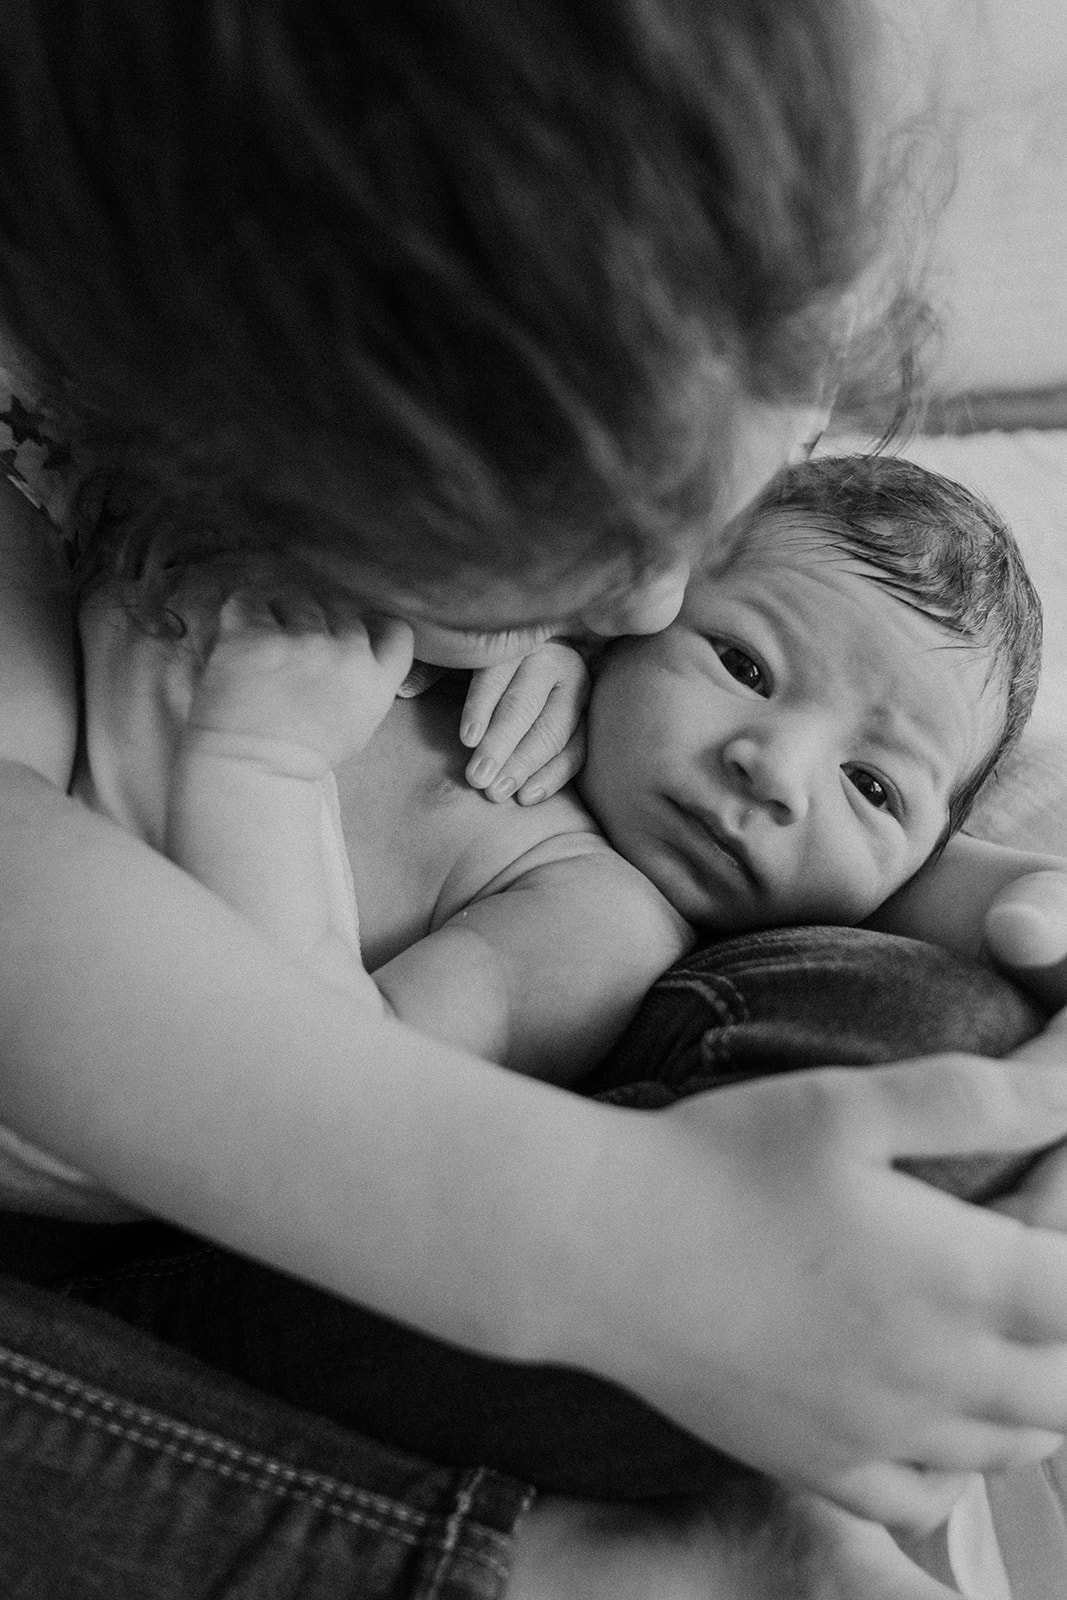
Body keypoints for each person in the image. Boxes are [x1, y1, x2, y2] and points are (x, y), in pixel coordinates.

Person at [1, 4, 1067, 1598]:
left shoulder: (590, 788)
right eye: (577, 553)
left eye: (690, 539)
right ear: (261, 430)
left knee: (940, 1067)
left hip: (352, 1219)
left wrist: (993, 914)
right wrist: (607, 1245)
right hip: (121, 1291)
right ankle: (558, 1561)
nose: (640, 607)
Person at [44, 451, 1048, 1600]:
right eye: (740, 662)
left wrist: (255, 768)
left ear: (913, 864)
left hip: (140, 1185)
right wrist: (548, 647)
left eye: (871, 789)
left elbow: (346, 1099)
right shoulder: (533, 645)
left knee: (946, 1055)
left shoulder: (593, 918)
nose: (772, 767)